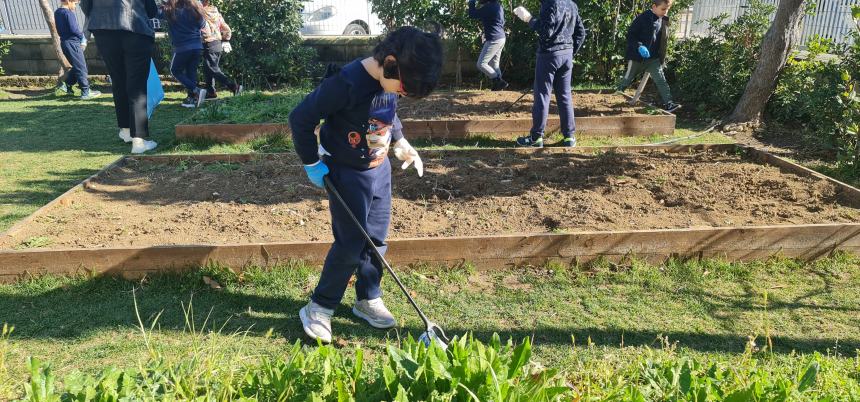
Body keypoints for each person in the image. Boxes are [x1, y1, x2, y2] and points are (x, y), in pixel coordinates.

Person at [288, 26, 444, 344]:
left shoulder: (390, 78)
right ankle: (320, 306)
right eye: (402, 89)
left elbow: (389, 113)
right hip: (347, 175)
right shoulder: (346, 83)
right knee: (349, 245)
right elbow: (300, 118)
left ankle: (367, 298)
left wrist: (401, 143)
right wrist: (312, 163)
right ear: (389, 62)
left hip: (379, 170)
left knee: (376, 240)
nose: (400, 94)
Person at [81, 0, 159, 154]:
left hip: (103, 29)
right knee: (136, 86)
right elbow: (151, 10)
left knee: (118, 80)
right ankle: (138, 140)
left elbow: (85, 6)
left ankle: (125, 130)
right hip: (135, 28)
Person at [513, 0, 586, 148]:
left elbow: (546, 32)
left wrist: (529, 19)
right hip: (566, 55)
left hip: (549, 55)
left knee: (542, 95)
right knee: (565, 96)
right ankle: (569, 138)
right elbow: (581, 33)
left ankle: (536, 138)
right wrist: (570, 52)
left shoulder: (550, 4)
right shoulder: (571, 4)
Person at [616, 0, 680, 113]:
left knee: (661, 80)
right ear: (654, 6)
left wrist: (661, 57)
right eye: (663, 9)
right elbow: (631, 35)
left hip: (653, 59)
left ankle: (668, 103)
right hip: (637, 57)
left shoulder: (663, 19)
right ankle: (615, 95)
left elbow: (661, 40)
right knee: (628, 78)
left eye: (667, 9)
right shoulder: (643, 18)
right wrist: (640, 46)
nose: (665, 12)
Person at [160, 0, 207, 108]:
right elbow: (202, 24)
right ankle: (193, 98)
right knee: (191, 72)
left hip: (182, 47)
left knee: (175, 70)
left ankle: (197, 91)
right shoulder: (196, 8)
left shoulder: (171, 10)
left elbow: (155, 13)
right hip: (197, 46)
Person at [54, 0, 101, 100]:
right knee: (81, 67)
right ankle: (85, 91)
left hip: (65, 43)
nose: (75, 6)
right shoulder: (68, 13)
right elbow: (74, 29)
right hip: (73, 43)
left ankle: (67, 86)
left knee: (77, 66)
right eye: (75, 3)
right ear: (69, 1)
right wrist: (82, 37)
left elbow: (59, 30)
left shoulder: (57, 12)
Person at [200, 0, 241, 100]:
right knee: (208, 69)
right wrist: (226, 39)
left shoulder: (200, 12)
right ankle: (211, 92)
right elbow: (225, 27)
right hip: (217, 43)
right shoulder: (215, 11)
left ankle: (234, 86)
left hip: (208, 42)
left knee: (212, 69)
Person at [468, 0, 508, 91]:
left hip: (494, 39)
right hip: (501, 37)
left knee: (481, 64)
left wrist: (471, 2)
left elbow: (472, 14)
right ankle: (498, 86)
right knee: (494, 64)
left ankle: (498, 80)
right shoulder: (498, 6)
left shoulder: (488, 7)